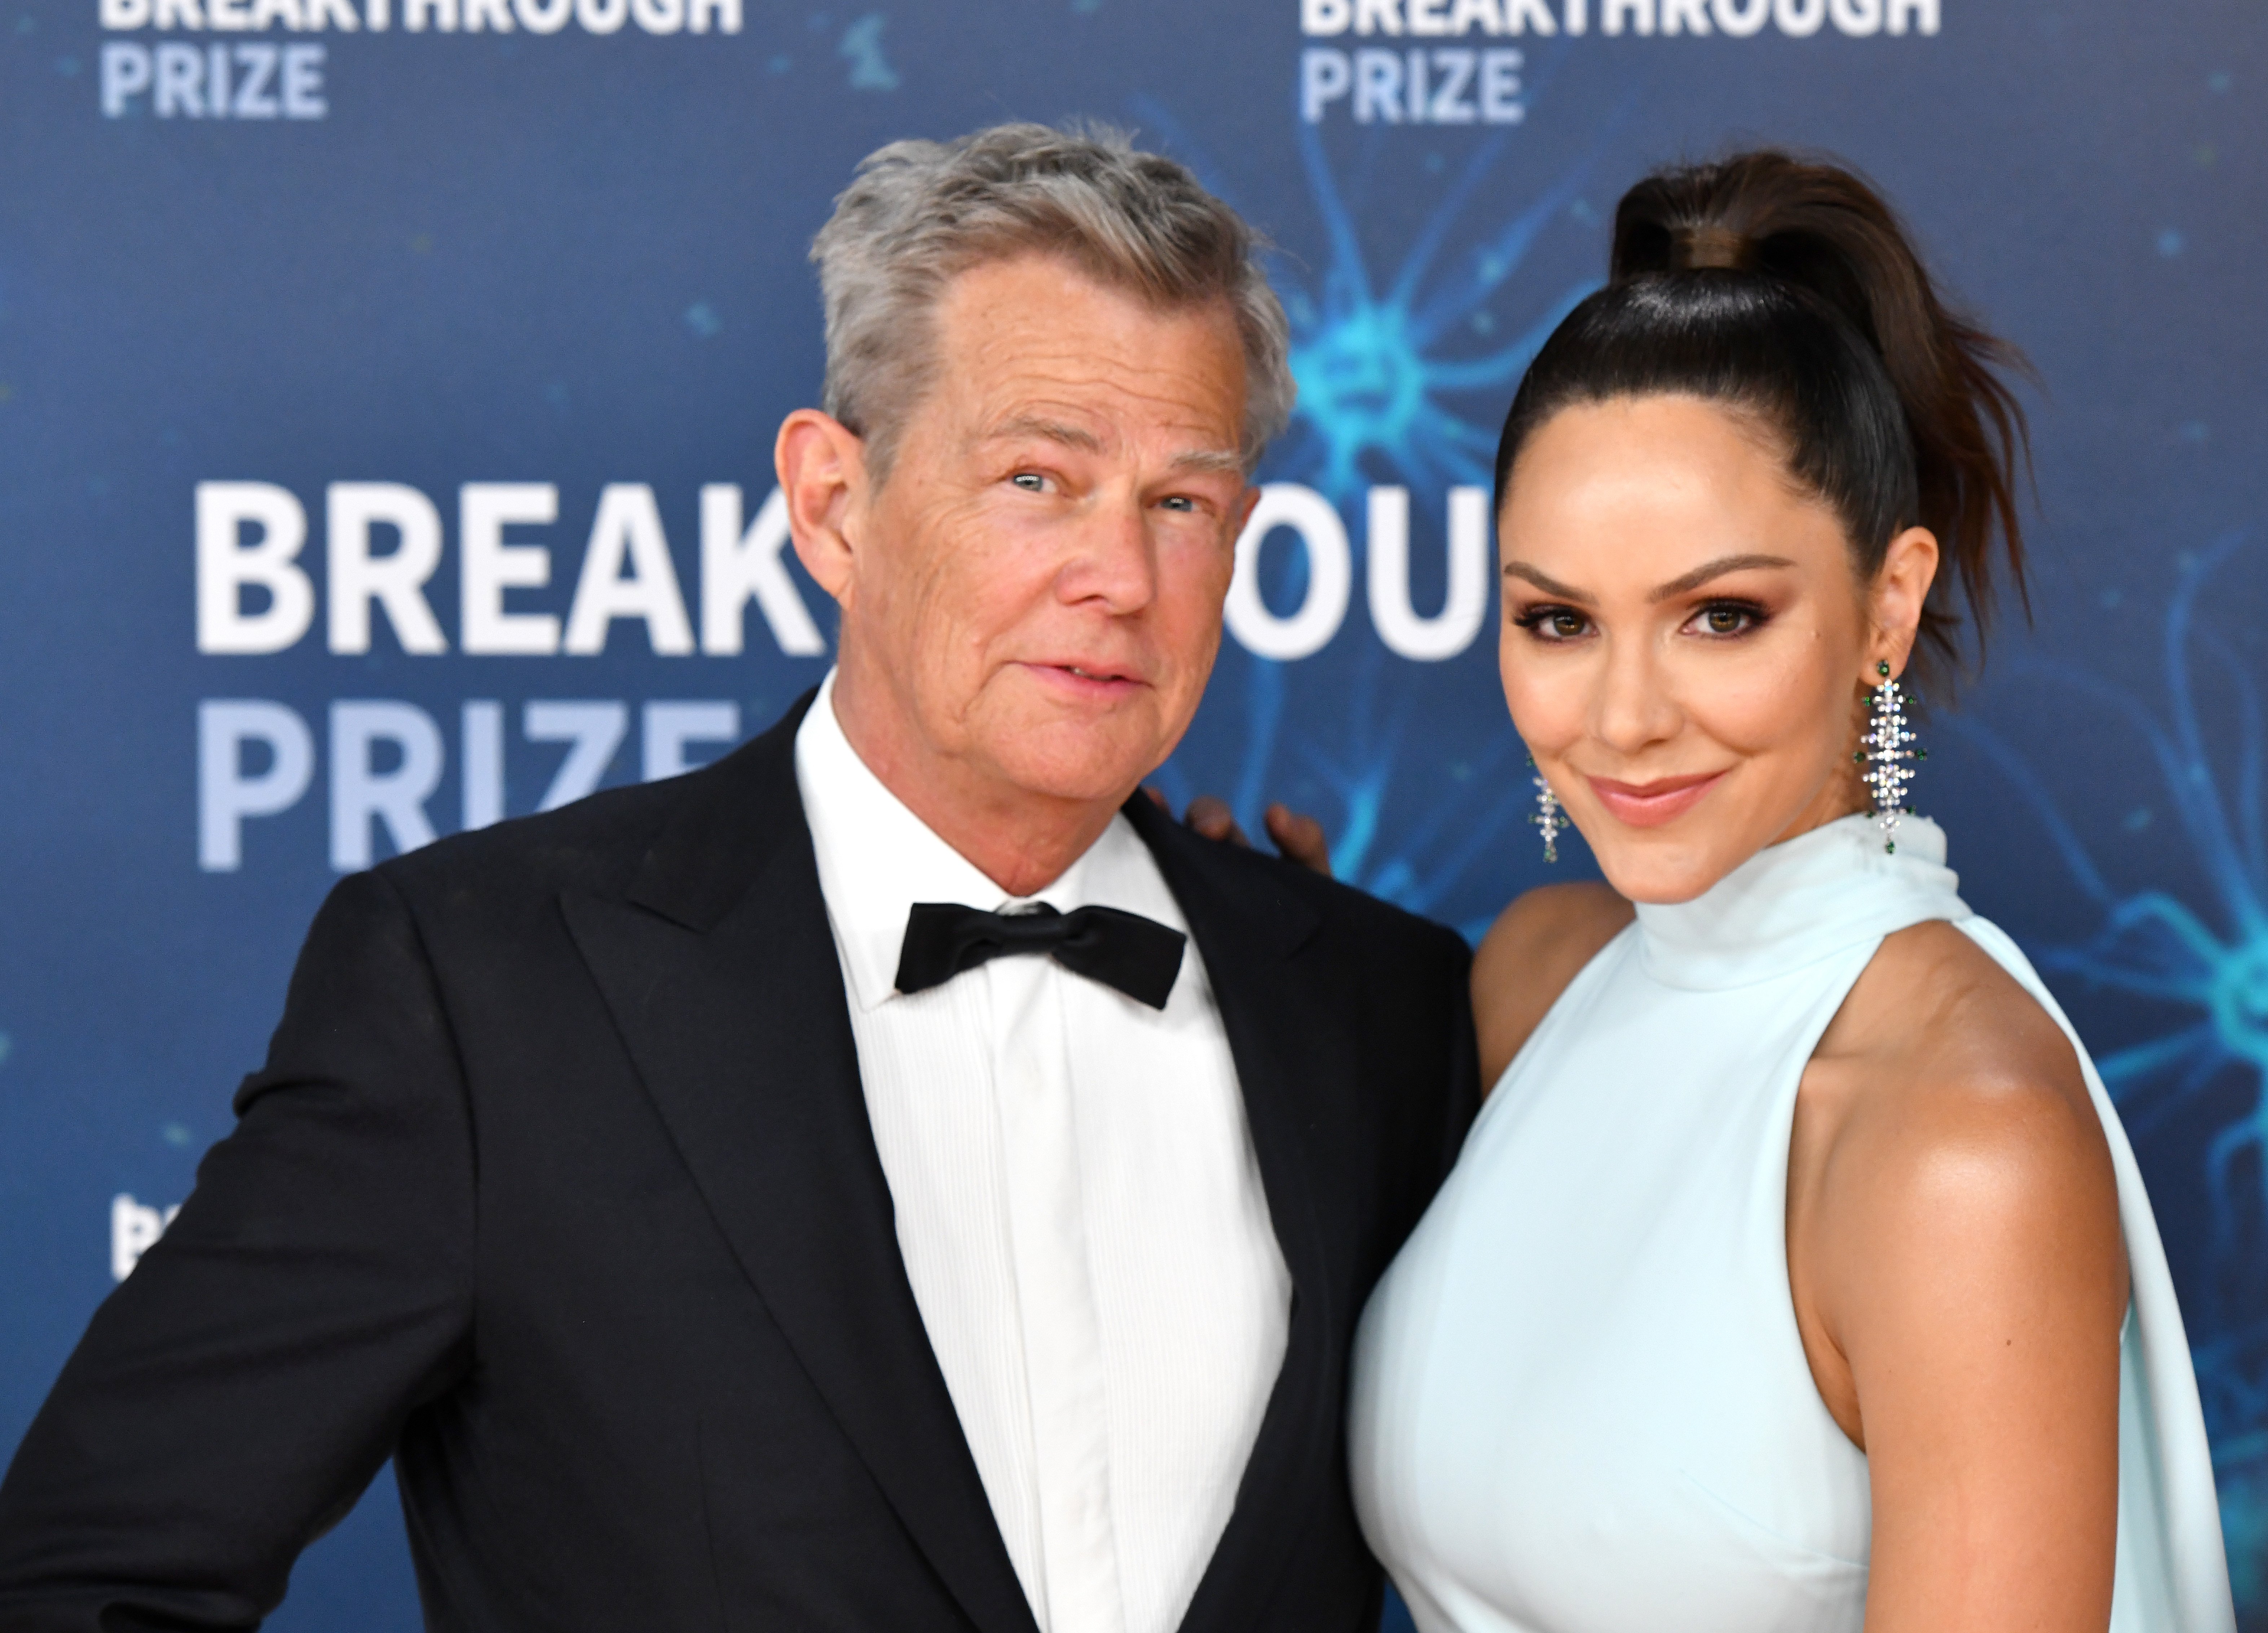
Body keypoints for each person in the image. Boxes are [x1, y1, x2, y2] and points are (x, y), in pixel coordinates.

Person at [0, 124, 1478, 1633]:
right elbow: (92, 1574)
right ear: (834, 505)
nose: (1119, 574)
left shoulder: (1386, 1010)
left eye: (1183, 503)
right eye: (1038, 477)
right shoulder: (487, 988)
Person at [1347, 152, 2236, 1632]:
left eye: (1721, 615)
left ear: (1886, 604)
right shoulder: (1539, 975)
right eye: (1558, 620)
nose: (1623, 714)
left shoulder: (1961, 1139)